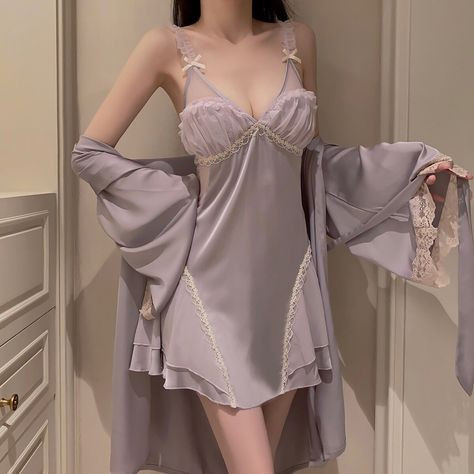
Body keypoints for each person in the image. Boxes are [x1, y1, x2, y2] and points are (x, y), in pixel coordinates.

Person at [77, 1, 472, 473]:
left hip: (290, 299)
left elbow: (315, 166)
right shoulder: (165, 47)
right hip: (208, 296)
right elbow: (89, 153)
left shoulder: (298, 40)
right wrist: (180, 203)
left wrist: (409, 175)